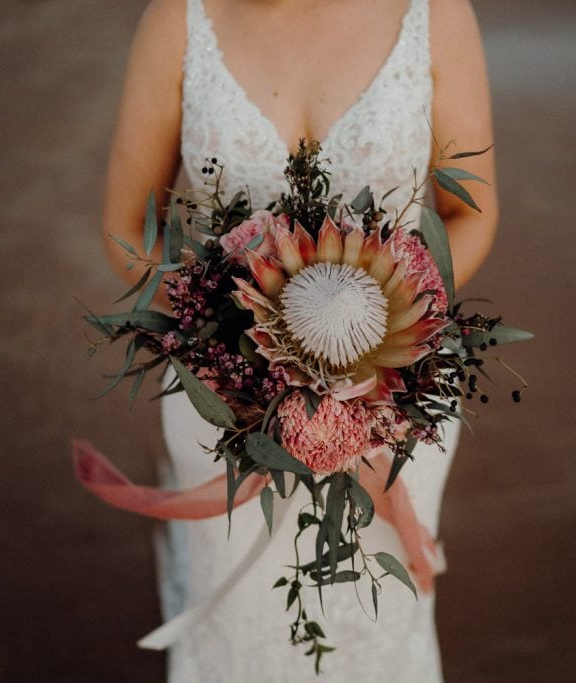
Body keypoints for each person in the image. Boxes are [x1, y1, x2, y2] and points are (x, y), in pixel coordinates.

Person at [99, 0, 497, 679]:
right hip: (220, 406)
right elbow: (127, 229)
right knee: (239, 618)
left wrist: (390, 337)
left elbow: (470, 213)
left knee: (375, 618)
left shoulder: (433, 12)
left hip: (396, 402)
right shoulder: (180, 17)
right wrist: (230, 344)